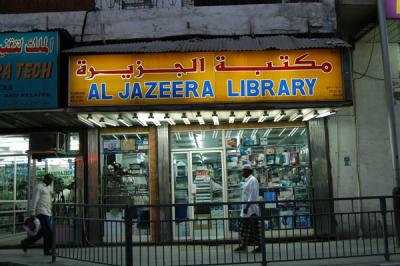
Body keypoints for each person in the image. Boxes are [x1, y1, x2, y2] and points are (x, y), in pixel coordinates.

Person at [21, 173, 54, 255]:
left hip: (48, 212)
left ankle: (26, 242)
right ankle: (47, 250)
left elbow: (48, 199)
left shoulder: (48, 187)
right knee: (49, 231)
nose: (51, 182)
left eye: (51, 181)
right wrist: (32, 211)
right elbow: (35, 199)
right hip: (42, 212)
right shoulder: (39, 187)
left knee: (43, 232)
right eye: (50, 180)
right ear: (46, 179)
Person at [235, 164, 262, 253]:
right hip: (245, 209)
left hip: (251, 209)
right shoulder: (247, 180)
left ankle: (260, 246)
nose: (242, 173)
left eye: (243, 171)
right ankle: (244, 245)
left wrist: (247, 207)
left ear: (248, 171)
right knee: (244, 228)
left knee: (254, 229)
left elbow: (252, 195)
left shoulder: (253, 180)